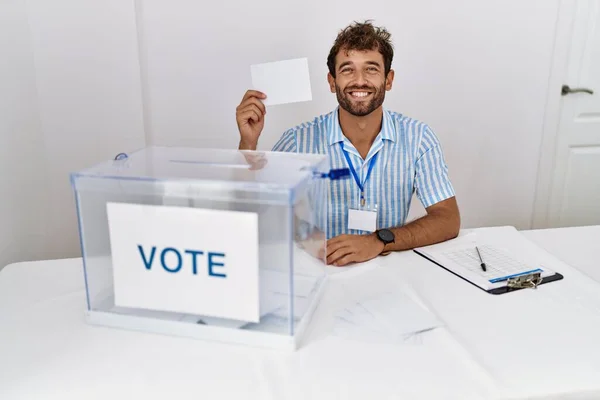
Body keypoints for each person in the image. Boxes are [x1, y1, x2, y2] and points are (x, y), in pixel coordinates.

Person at [235, 20, 460, 266]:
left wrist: (379, 241)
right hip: (317, 272)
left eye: (371, 69)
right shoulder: (297, 141)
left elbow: (447, 219)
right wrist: (248, 142)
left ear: (388, 79)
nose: (359, 80)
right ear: (332, 82)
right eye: (347, 70)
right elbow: (259, 212)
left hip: (389, 275)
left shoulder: (418, 139)